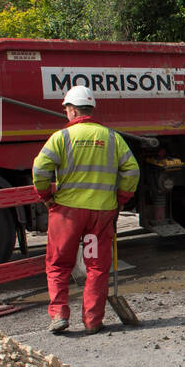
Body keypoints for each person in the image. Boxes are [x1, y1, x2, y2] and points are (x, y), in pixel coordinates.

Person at [32, 85, 140, 335]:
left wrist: (45, 195)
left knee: (59, 264)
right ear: (90, 109)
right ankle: (92, 320)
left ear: (71, 110)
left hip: (68, 215)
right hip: (99, 216)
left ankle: (59, 314)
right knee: (96, 266)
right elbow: (132, 170)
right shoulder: (113, 138)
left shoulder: (61, 138)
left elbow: (40, 169)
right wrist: (122, 196)